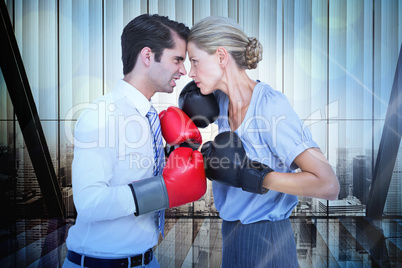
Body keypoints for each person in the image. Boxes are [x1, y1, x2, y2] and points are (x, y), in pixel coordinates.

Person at [184, 16, 340, 267]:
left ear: (221, 57)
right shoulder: (221, 104)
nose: (190, 73)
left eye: (194, 61)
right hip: (231, 235)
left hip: (267, 239)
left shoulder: (270, 107)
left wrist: (255, 176)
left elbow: (328, 185)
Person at [63, 14, 207, 268]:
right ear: (148, 56)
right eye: (177, 60)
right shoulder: (103, 115)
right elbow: (88, 203)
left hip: (147, 259)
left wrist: (180, 153)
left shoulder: (150, 118)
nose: (184, 71)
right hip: (99, 263)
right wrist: (161, 191)